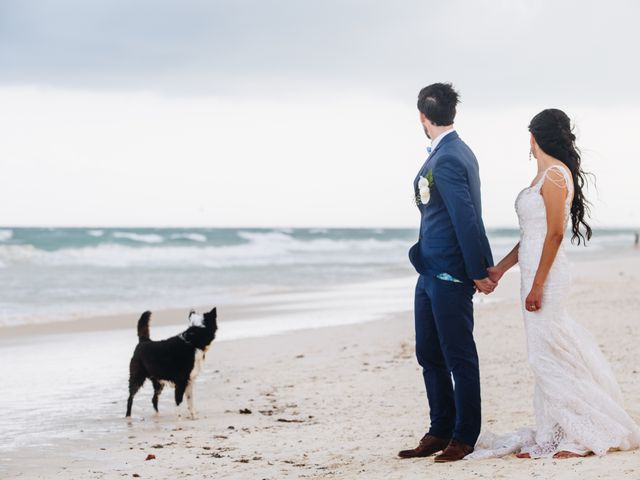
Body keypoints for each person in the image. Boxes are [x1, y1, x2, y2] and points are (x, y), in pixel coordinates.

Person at [468, 109, 640, 459]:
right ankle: (554, 431)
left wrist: (537, 285)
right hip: (532, 271)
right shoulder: (541, 177)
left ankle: (578, 434)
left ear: (534, 138)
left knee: (547, 354)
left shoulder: (557, 176)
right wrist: (501, 269)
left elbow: (556, 233)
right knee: (545, 352)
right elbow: (531, 235)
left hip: (547, 275)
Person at [399, 83, 495, 463]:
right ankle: (440, 429)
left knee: (458, 356)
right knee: (428, 353)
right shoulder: (448, 153)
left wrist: (477, 271)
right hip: (428, 269)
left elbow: (467, 217)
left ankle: (464, 435)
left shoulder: (451, 157)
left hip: (450, 274)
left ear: (422, 116)